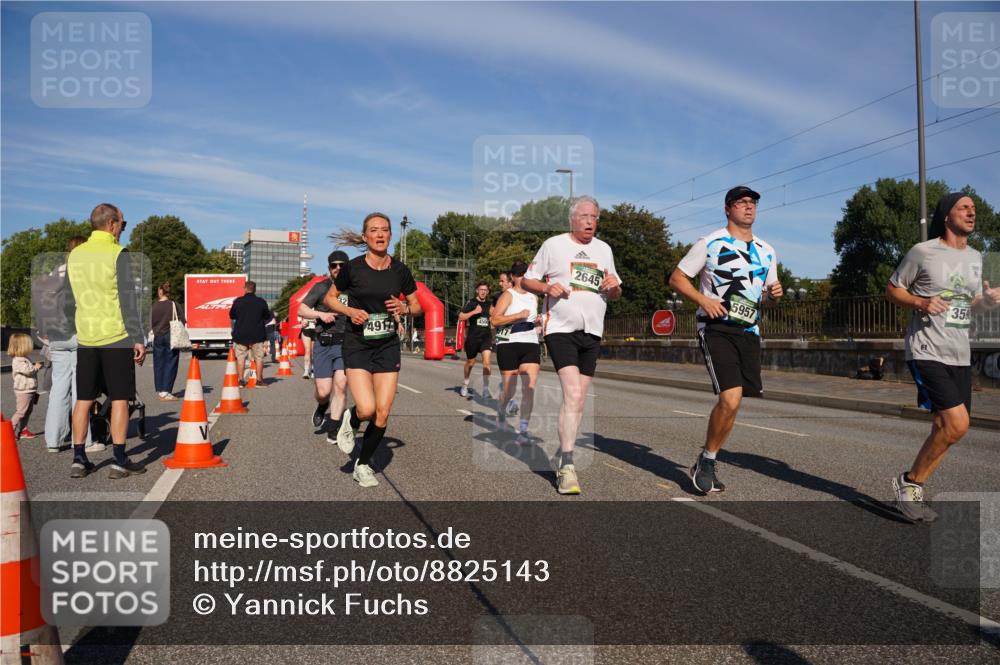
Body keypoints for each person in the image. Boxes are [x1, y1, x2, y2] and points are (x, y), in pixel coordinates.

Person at [886, 192, 999, 522]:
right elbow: (893, 289)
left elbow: (969, 306)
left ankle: (910, 487)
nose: (971, 212)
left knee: (944, 427)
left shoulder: (977, 257)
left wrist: (988, 301)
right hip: (927, 349)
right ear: (946, 215)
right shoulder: (924, 252)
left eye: (974, 208)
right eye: (963, 207)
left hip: (959, 352)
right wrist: (921, 303)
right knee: (957, 423)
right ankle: (910, 483)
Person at [668, 186, 783, 494]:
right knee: (729, 397)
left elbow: (767, 296)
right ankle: (706, 462)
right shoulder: (711, 242)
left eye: (753, 203)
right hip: (716, 328)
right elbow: (677, 278)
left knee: (734, 404)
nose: (749, 207)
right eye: (742, 202)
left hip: (749, 331)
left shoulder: (767, 250)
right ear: (728, 208)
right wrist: (703, 301)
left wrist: (774, 296)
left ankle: (708, 458)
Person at [522, 196, 622, 495]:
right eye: (585, 216)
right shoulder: (553, 245)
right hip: (560, 329)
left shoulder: (604, 249)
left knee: (578, 400)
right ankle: (567, 465)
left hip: (592, 330)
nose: (591, 222)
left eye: (595, 217)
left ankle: (565, 452)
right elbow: (528, 280)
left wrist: (613, 287)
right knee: (574, 392)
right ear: (572, 219)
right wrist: (546, 287)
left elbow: (615, 291)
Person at [323, 213, 422, 488]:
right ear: (365, 237)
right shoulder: (352, 269)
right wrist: (350, 310)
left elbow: (417, 306)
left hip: (387, 344)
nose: (380, 234)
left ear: (391, 235)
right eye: (374, 230)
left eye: (385, 230)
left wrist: (404, 308)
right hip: (357, 343)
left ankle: (363, 464)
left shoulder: (400, 271)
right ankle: (351, 419)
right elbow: (330, 299)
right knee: (366, 408)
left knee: (383, 412)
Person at [66, 203, 147, 479]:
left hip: (86, 336)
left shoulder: (75, 255)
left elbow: (69, 297)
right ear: (111, 224)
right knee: (121, 398)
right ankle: (119, 459)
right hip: (115, 335)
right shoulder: (117, 253)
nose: (123, 230)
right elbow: (127, 300)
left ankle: (79, 458)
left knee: (84, 399)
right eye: (123, 225)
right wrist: (137, 338)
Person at [35, 235, 93, 452]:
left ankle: (54, 440)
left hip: (56, 334)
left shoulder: (56, 271)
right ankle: (84, 440)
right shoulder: (85, 269)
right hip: (79, 333)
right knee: (82, 388)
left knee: (59, 388)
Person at [298, 250, 351, 440]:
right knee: (323, 391)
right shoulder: (321, 287)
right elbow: (302, 308)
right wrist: (320, 315)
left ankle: (335, 427)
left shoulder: (355, 288)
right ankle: (322, 405)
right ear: (329, 268)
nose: (338, 268)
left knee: (341, 385)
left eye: (342, 265)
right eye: (334, 265)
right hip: (323, 343)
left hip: (346, 344)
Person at [491, 261, 541, 445]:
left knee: (529, 388)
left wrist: (538, 321)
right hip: (509, 344)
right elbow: (495, 320)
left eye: (525, 274)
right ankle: (502, 409)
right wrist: (517, 315)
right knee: (509, 390)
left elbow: (533, 322)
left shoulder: (534, 297)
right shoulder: (508, 295)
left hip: (530, 343)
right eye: (519, 275)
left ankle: (524, 431)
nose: (522, 278)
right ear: (513, 277)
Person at [229, 280, 271, 387]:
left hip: (241, 334)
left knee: (241, 357)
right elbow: (267, 316)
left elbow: (232, 315)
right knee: (259, 358)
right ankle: (259, 381)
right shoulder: (261, 302)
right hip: (257, 334)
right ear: (255, 289)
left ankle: (241, 380)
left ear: (245, 288)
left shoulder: (238, 301)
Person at [458, 282, 494, 399]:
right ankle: (465, 384)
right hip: (473, 338)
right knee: (470, 363)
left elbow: (495, 318)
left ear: (488, 292)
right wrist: (474, 312)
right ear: (477, 291)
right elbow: (461, 316)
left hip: (486, 337)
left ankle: (485, 389)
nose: (483, 292)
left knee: (487, 362)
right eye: (481, 289)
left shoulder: (490, 305)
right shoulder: (471, 302)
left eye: (485, 290)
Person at [149, 282, 184, 401]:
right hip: (171, 335)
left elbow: (149, 322)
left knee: (158, 363)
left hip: (158, 336)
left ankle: (160, 390)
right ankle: (166, 391)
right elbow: (183, 320)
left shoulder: (154, 306)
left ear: (160, 291)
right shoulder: (174, 305)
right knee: (171, 362)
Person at [8, 333, 42, 441]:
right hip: (23, 391)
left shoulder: (24, 358)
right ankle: (10, 431)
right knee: (21, 412)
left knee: (27, 411)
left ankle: (22, 430)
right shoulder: (18, 360)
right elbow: (28, 371)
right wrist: (36, 367)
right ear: (22, 346)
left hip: (29, 389)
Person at [300, 312, 316, 379]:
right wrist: (301, 321)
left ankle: (313, 370)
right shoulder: (305, 304)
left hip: (316, 330)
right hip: (306, 330)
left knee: (313, 352)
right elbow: (299, 317)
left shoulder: (319, 305)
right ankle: (306, 371)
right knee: (307, 351)